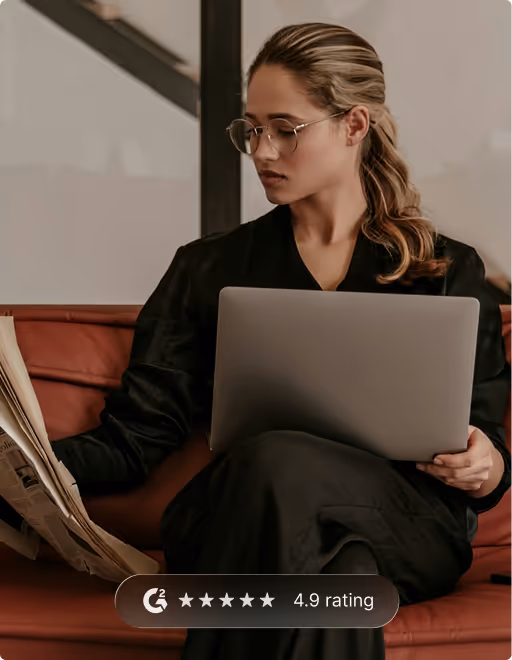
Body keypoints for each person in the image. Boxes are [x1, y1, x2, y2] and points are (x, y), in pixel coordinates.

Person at [4, 22, 511, 659]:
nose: (263, 151)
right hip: (237, 519)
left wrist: (481, 462)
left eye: (285, 129)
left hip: (406, 526)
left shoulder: (445, 270)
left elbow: (486, 448)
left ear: (354, 126)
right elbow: (137, 437)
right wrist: (24, 466)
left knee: (280, 458)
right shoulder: (207, 267)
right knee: (346, 581)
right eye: (251, 129)